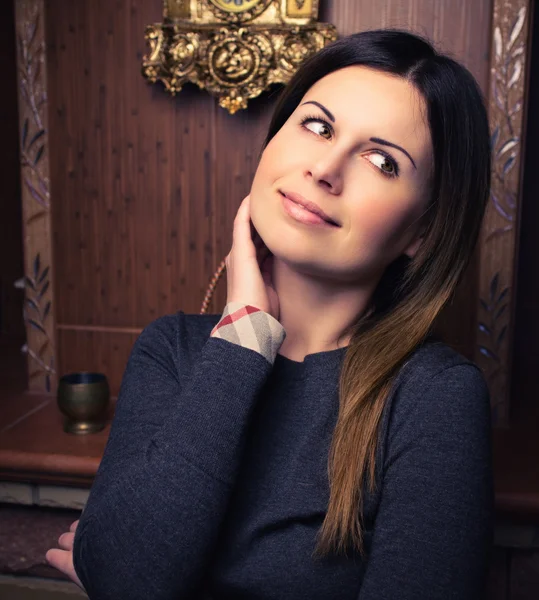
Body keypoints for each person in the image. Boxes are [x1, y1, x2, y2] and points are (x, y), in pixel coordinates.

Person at [46, 28, 494, 599]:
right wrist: (246, 338)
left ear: (424, 232)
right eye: (318, 126)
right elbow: (128, 574)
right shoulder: (172, 350)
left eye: (381, 160)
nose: (325, 169)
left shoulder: (435, 398)